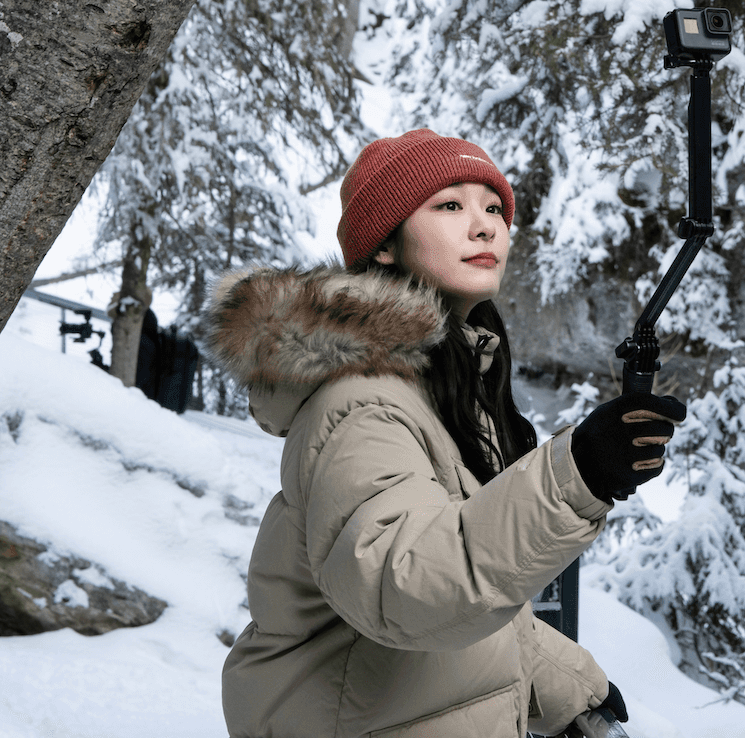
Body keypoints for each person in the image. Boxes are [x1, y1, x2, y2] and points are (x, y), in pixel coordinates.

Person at [208, 129, 686, 737]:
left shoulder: (447, 388)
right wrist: (578, 474)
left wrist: (568, 688)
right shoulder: (362, 400)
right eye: (450, 205)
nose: (485, 226)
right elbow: (404, 583)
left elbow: (466, 585)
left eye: (494, 209)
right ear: (384, 244)